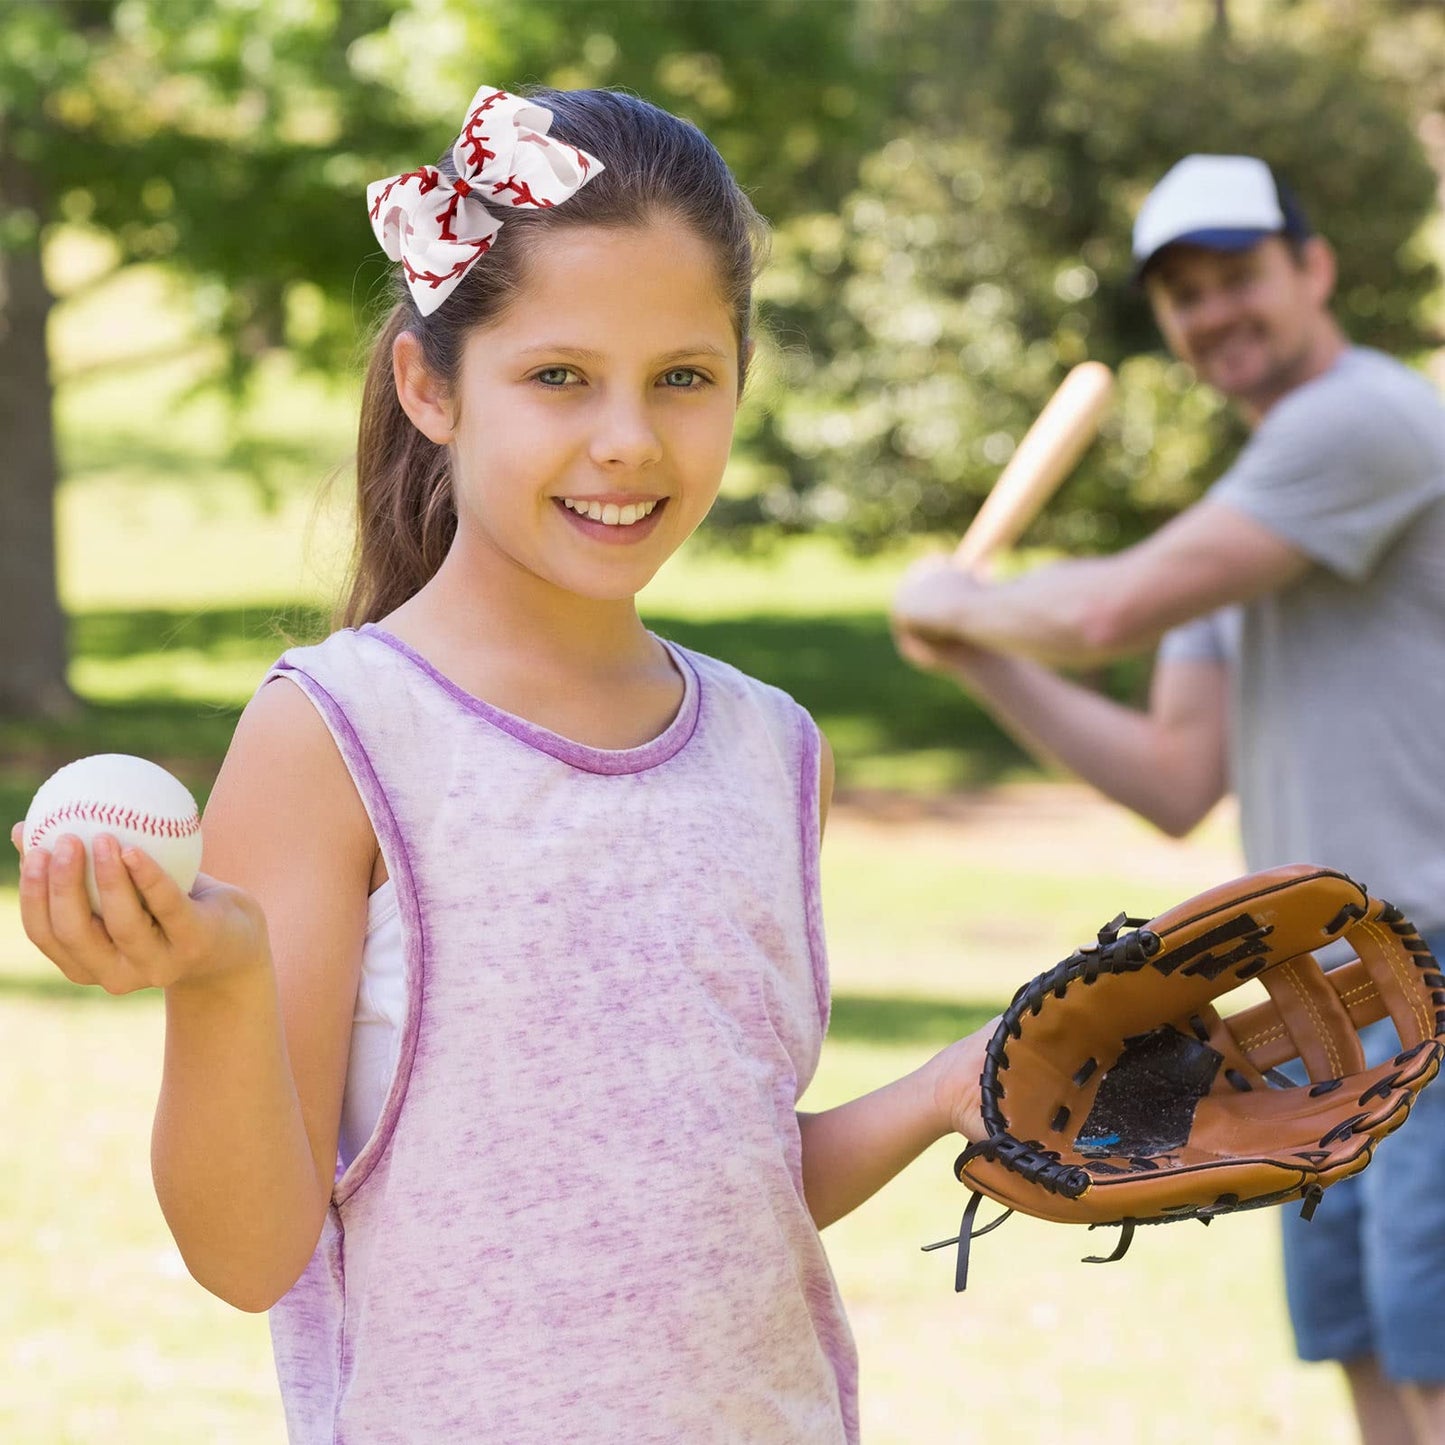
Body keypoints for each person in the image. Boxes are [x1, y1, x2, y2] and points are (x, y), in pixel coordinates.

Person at [14, 86, 991, 1442]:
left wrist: (947, 1085)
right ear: (432, 385)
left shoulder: (769, 746)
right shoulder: (340, 733)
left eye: (683, 378)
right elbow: (246, 1255)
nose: (628, 441)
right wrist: (221, 981)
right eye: (557, 376)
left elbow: (708, 1186)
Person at [892, 152, 1445, 1445]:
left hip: (1431, 958)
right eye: (1183, 291)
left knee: (1432, 1337)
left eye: (1239, 273)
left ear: (1311, 270)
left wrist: (962, 601)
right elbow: (1167, 777)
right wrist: (972, 650)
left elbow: (1098, 608)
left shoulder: (1361, 420)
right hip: (1322, 980)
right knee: (1363, 1337)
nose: (1214, 311)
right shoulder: (1250, 516)